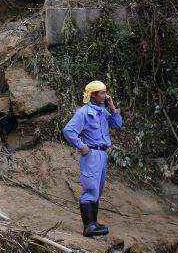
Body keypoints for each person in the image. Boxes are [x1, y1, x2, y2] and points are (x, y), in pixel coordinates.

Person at [62, 80, 123, 237]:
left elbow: (117, 124)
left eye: (105, 92)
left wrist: (112, 107)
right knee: (91, 188)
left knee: (98, 188)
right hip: (91, 154)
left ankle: (94, 223)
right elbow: (69, 130)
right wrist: (81, 145)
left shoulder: (103, 111)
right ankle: (88, 227)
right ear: (93, 95)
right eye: (102, 93)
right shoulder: (84, 112)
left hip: (102, 154)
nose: (105, 95)